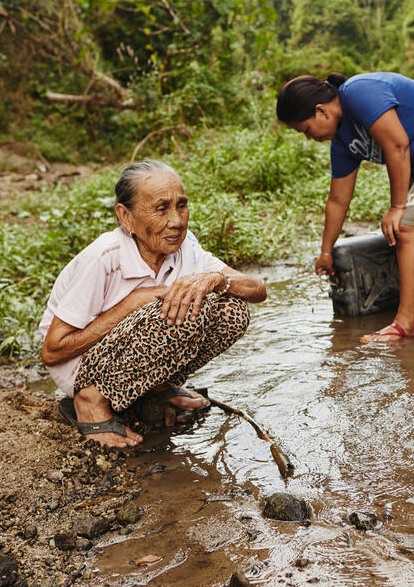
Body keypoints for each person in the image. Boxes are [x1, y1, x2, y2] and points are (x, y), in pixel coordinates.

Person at [39, 160, 267, 448]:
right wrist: (131, 304)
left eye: (181, 206)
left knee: (231, 310)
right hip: (80, 366)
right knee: (182, 312)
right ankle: (90, 402)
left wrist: (216, 280)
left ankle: (154, 388)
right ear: (126, 217)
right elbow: (52, 351)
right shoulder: (104, 257)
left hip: (128, 355)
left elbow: (257, 290)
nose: (177, 220)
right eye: (161, 209)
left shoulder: (184, 247)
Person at [277, 71, 414, 343]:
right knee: (409, 234)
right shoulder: (342, 142)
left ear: (321, 111)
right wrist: (326, 252)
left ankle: (403, 324)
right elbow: (338, 200)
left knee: (406, 228)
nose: (309, 137)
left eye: (306, 129)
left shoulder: (359, 92)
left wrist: (397, 206)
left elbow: (397, 145)